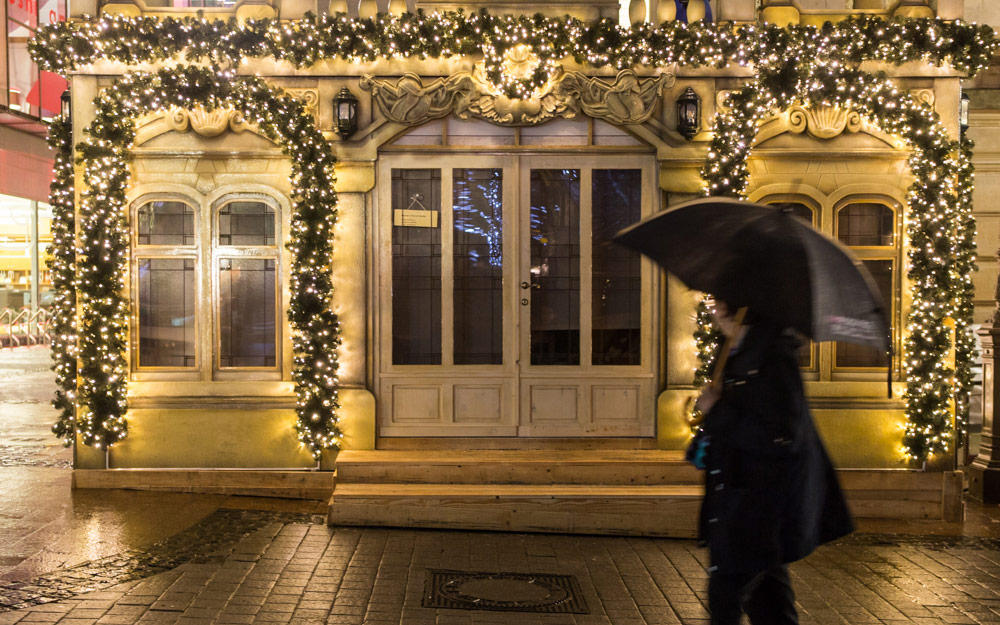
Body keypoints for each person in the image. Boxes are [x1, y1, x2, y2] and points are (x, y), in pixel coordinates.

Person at [690, 299, 854, 625]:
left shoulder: (772, 358)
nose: (713, 310)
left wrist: (718, 410)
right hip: (740, 501)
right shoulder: (736, 354)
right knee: (770, 602)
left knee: (726, 597)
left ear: (739, 309)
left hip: (755, 504)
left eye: (719, 303)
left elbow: (781, 437)